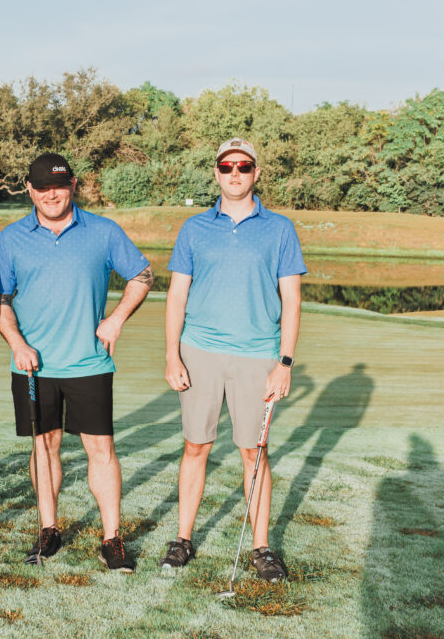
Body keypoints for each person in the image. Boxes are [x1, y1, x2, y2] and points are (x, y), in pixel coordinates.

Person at [0, 153, 153, 572]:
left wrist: (116, 319)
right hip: (33, 365)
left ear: (73, 186)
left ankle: (112, 538)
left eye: (59, 187)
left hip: (89, 363)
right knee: (44, 444)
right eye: (43, 187)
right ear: (29, 190)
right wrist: (16, 343)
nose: (52, 195)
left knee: (101, 448)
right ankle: (49, 529)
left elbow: (142, 276)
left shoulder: (103, 231)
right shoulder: (11, 238)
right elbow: (0, 300)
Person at [161, 137, 306, 582]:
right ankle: (182, 539)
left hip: (257, 356)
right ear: (217, 173)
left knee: (252, 452)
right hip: (199, 352)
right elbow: (177, 296)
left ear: (256, 172)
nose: (235, 173)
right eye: (227, 167)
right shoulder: (194, 228)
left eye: (244, 166)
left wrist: (284, 363)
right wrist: (172, 355)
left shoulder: (279, 228)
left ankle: (261, 548)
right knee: (196, 446)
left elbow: (292, 300)